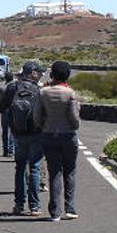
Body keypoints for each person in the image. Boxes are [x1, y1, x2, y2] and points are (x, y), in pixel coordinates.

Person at [0, 61, 47, 216]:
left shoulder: (13, 87)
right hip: (36, 134)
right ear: (33, 73)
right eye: (40, 72)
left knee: (20, 168)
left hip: (18, 134)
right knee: (35, 168)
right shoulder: (39, 90)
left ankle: (19, 205)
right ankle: (35, 206)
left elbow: (0, 108)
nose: (42, 75)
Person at [35, 61, 82, 222]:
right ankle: (70, 208)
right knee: (70, 171)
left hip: (48, 135)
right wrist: (74, 126)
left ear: (52, 74)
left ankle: (55, 211)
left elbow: (36, 116)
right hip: (68, 135)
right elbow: (75, 118)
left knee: (54, 172)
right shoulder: (70, 93)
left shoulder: (43, 92)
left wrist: (43, 126)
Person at [0, 73, 15, 156]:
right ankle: (11, 149)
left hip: (4, 110)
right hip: (13, 110)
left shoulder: (1, 88)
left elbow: (0, 99)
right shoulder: (15, 87)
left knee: (4, 131)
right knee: (12, 130)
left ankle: (5, 150)